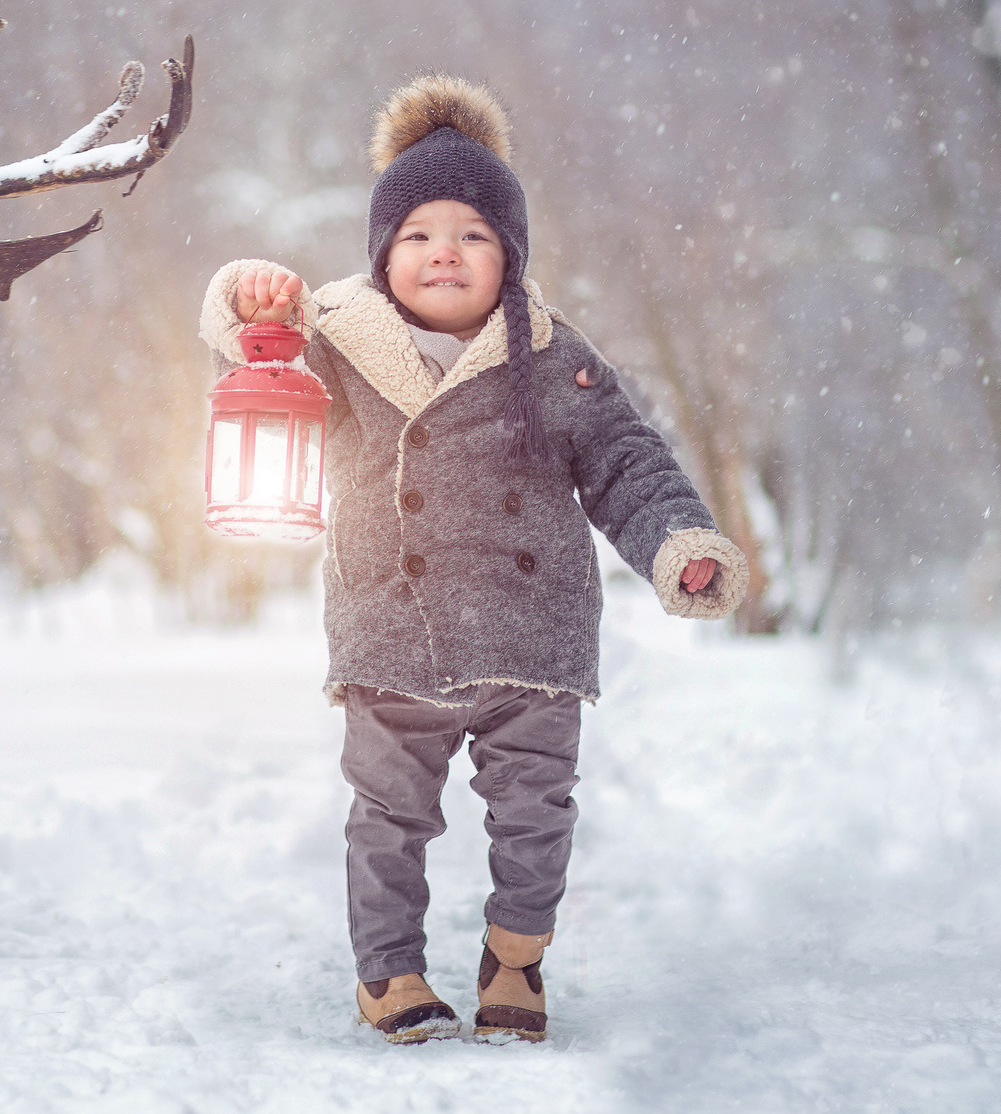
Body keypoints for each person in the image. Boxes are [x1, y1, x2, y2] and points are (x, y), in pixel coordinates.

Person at [196, 75, 746, 1044]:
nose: (442, 251)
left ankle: (515, 959)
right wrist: (249, 302)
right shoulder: (339, 342)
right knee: (386, 822)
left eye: (471, 235)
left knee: (534, 820)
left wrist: (676, 546)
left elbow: (627, 463)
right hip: (388, 632)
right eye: (415, 234)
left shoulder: (553, 356)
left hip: (531, 642)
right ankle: (389, 974)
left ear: (511, 257)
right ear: (380, 256)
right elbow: (251, 355)